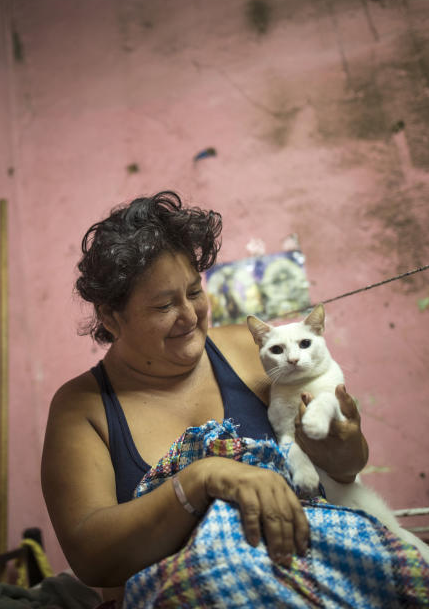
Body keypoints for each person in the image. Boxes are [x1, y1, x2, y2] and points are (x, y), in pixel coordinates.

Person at [40, 191, 368, 602]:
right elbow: (91, 558)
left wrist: (345, 452)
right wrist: (200, 480)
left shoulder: (255, 356)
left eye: (194, 292)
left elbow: (347, 469)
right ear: (110, 316)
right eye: (164, 305)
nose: (191, 315)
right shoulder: (82, 407)